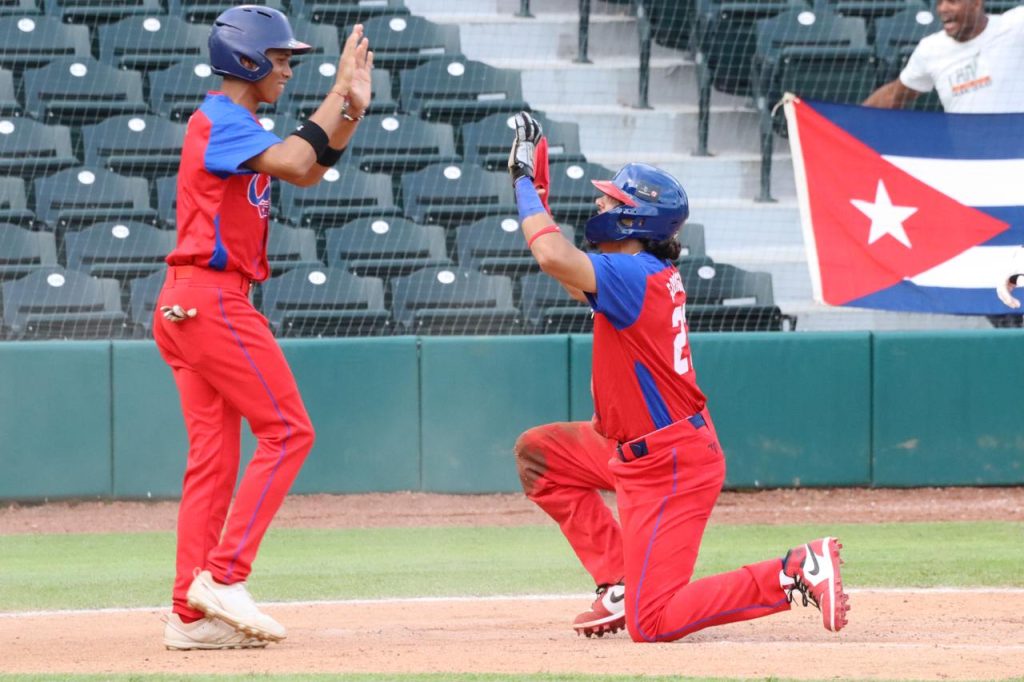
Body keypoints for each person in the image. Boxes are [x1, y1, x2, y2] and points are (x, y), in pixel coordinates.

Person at [506, 112, 849, 641]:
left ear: (636, 220)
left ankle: (793, 571)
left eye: (612, 201)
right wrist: (540, 201)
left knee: (653, 623)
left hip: (668, 464)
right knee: (540, 456)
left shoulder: (637, 274)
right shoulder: (636, 272)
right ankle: (619, 580)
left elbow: (553, 255)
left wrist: (524, 184)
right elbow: (566, 270)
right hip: (632, 448)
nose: (600, 205)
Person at [155, 6, 372, 650]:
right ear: (246, 60)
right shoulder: (221, 118)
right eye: (279, 59)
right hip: (212, 297)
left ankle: (190, 616)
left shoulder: (239, 125)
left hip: (189, 301)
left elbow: (308, 170)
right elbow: (297, 158)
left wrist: (349, 109)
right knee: (288, 431)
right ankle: (224, 577)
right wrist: (339, 92)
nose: (287, 70)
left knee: (214, 463)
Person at [863, 0, 1024, 112]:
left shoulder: (1015, 26)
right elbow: (894, 95)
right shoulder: (931, 49)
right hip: (968, 151)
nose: (943, 9)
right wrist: (854, 120)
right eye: (939, 2)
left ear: (976, 3)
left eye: (952, 2)